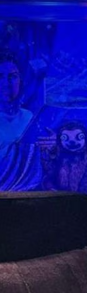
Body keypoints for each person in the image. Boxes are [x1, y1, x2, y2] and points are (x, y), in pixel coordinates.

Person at [0, 50, 41, 190]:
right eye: (0, 76)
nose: (6, 83)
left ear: (21, 80)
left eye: (13, 76)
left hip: (28, 194)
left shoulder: (29, 117)